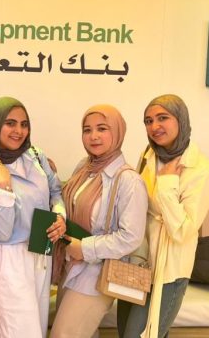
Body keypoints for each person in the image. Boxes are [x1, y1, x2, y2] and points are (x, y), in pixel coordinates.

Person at [0, 96, 66, 338]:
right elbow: (1, 231)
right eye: (10, 123)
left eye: (24, 124)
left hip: (40, 251)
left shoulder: (36, 157)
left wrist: (60, 216)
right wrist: (5, 187)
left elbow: (56, 192)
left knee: (36, 331)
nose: (19, 131)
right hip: (7, 259)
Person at [117, 94, 209, 338]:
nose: (154, 126)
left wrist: (168, 183)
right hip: (137, 260)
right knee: (125, 331)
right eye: (148, 121)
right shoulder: (148, 154)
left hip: (169, 270)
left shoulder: (201, 170)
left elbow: (183, 231)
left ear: (181, 120)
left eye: (163, 118)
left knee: (140, 335)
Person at [50, 104, 148, 337]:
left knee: (64, 335)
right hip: (70, 265)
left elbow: (131, 237)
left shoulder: (129, 181)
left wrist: (84, 248)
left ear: (117, 131)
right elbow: (69, 201)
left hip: (96, 273)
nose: (93, 136)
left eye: (102, 128)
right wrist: (49, 175)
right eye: (87, 130)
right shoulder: (84, 168)